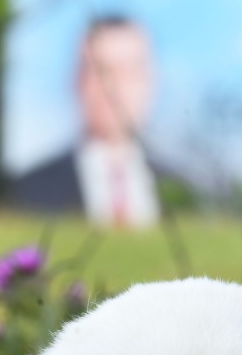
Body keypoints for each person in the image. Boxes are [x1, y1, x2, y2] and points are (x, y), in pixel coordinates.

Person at [10, 15, 163, 229]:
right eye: (101, 71)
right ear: (76, 79)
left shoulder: (189, 189)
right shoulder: (25, 189)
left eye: (127, 71)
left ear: (150, 80)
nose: (113, 88)